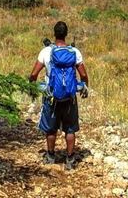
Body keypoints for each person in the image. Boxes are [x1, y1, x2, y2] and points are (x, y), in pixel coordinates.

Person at [29, 21, 89, 170]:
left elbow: (34, 74)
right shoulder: (74, 52)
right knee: (70, 129)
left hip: (51, 97)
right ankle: (69, 159)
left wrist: (31, 86)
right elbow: (83, 74)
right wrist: (84, 87)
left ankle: (50, 156)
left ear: (54, 34)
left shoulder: (46, 52)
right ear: (66, 34)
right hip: (69, 97)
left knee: (51, 128)